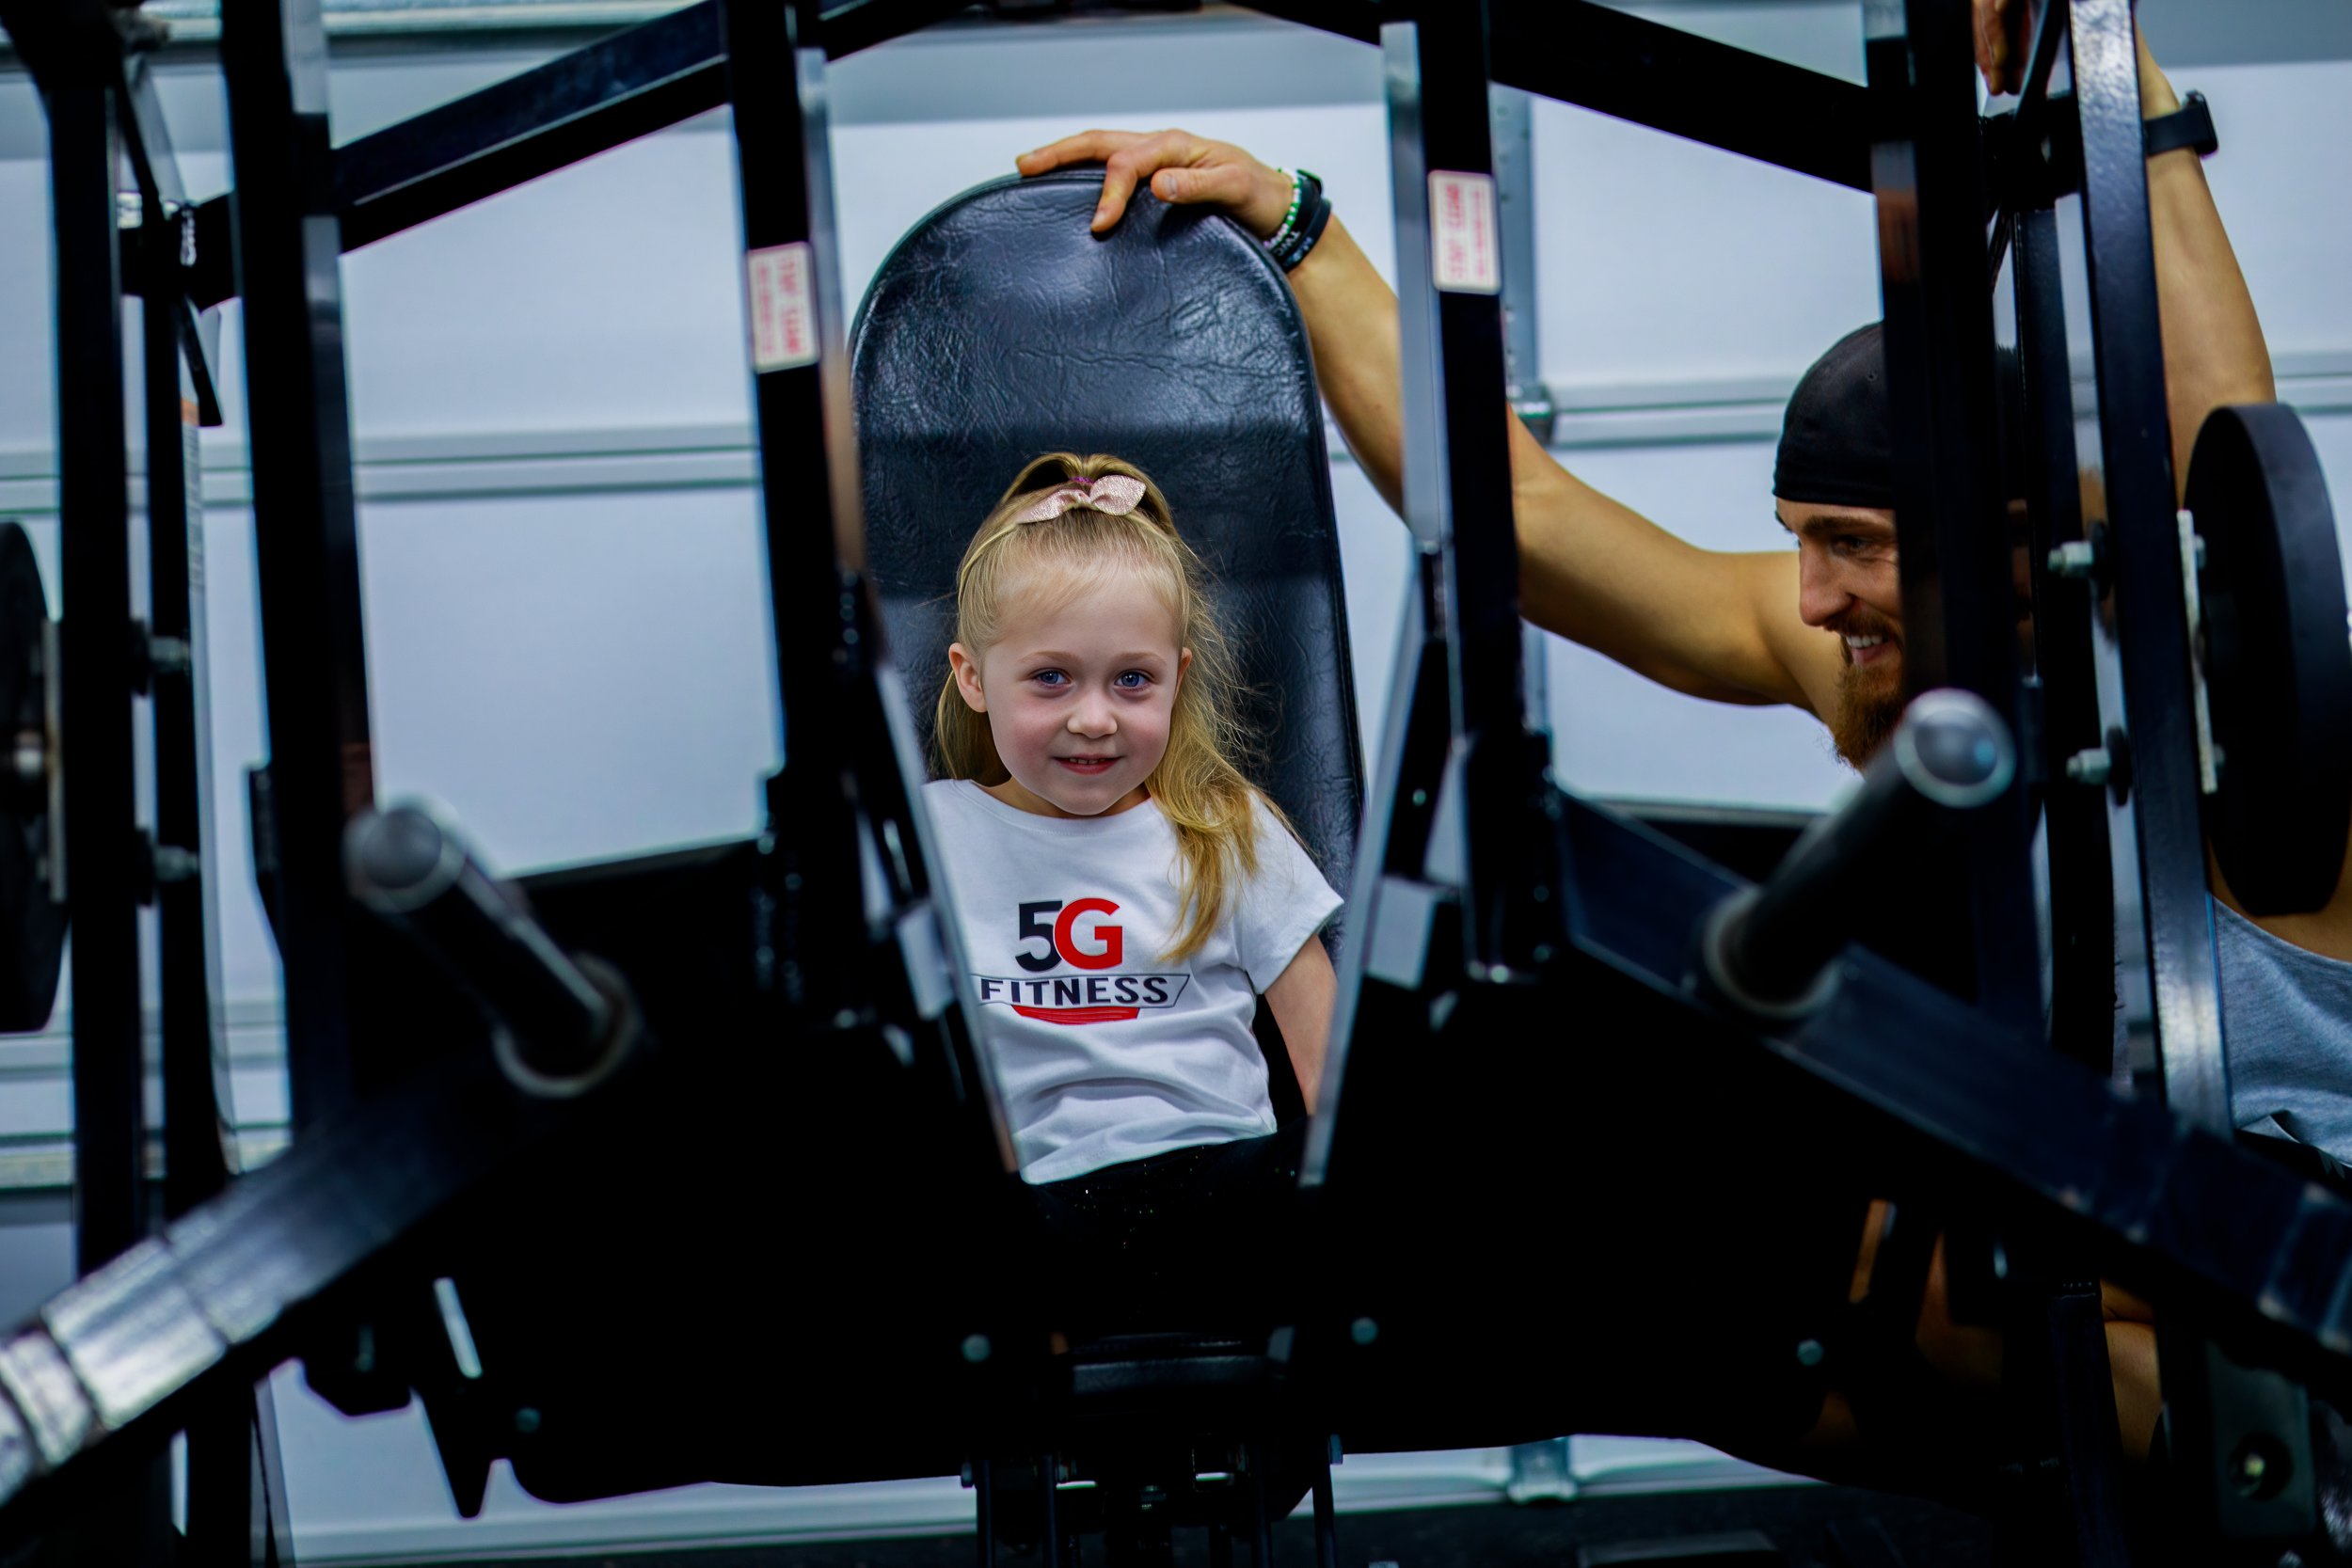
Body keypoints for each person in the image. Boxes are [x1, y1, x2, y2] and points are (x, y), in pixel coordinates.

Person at [1016, 0, 2343, 1499]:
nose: (1811, 598)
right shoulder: (1884, 677)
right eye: (1800, 544)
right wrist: (1293, 220)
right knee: (1618, 1276)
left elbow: (2234, 448)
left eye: (1850, 545)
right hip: (1995, 1310)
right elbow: (1536, 523)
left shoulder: (2232, 727)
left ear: (2007, 547)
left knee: (1911, 1238)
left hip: (2277, 1349)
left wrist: (2122, 75)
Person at [925, 451, 1342, 1334]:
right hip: (1030, 1203)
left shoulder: (1225, 827)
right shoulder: (932, 836)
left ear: (1177, 680)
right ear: (971, 677)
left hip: (1223, 1184)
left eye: (1133, 680)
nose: (1094, 717)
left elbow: (1333, 1062)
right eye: (1050, 678)